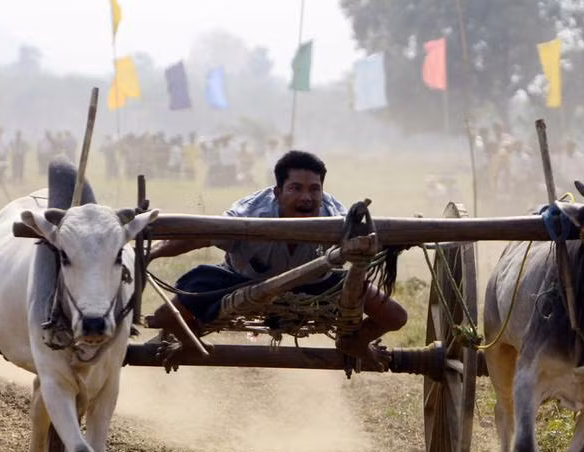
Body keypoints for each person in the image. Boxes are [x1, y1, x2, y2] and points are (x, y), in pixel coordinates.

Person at [145, 150, 407, 367]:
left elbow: (371, 238)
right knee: (166, 316)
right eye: (295, 188)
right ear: (277, 192)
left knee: (395, 317)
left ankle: (355, 343)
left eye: (314, 189)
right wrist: (152, 253)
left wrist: (399, 239)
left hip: (318, 284)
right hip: (240, 280)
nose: (306, 197)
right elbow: (200, 236)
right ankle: (190, 344)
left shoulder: (337, 215)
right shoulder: (247, 214)